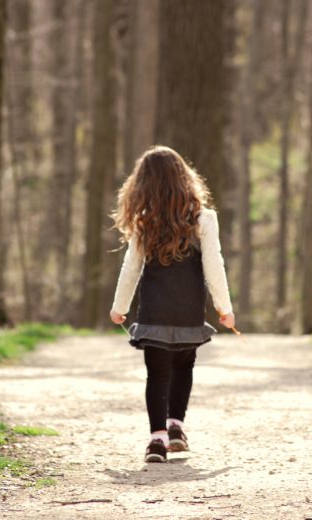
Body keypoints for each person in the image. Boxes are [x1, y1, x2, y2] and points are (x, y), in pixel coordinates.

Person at [110, 145, 235, 463]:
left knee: (157, 375)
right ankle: (176, 427)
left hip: (154, 311)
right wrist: (225, 307)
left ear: (143, 185)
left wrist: (119, 306)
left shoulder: (143, 222)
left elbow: (131, 268)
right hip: (188, 311)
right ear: (185, 179)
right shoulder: (203, 219)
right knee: (184, 367)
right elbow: (214, 265)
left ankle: (157, 440)